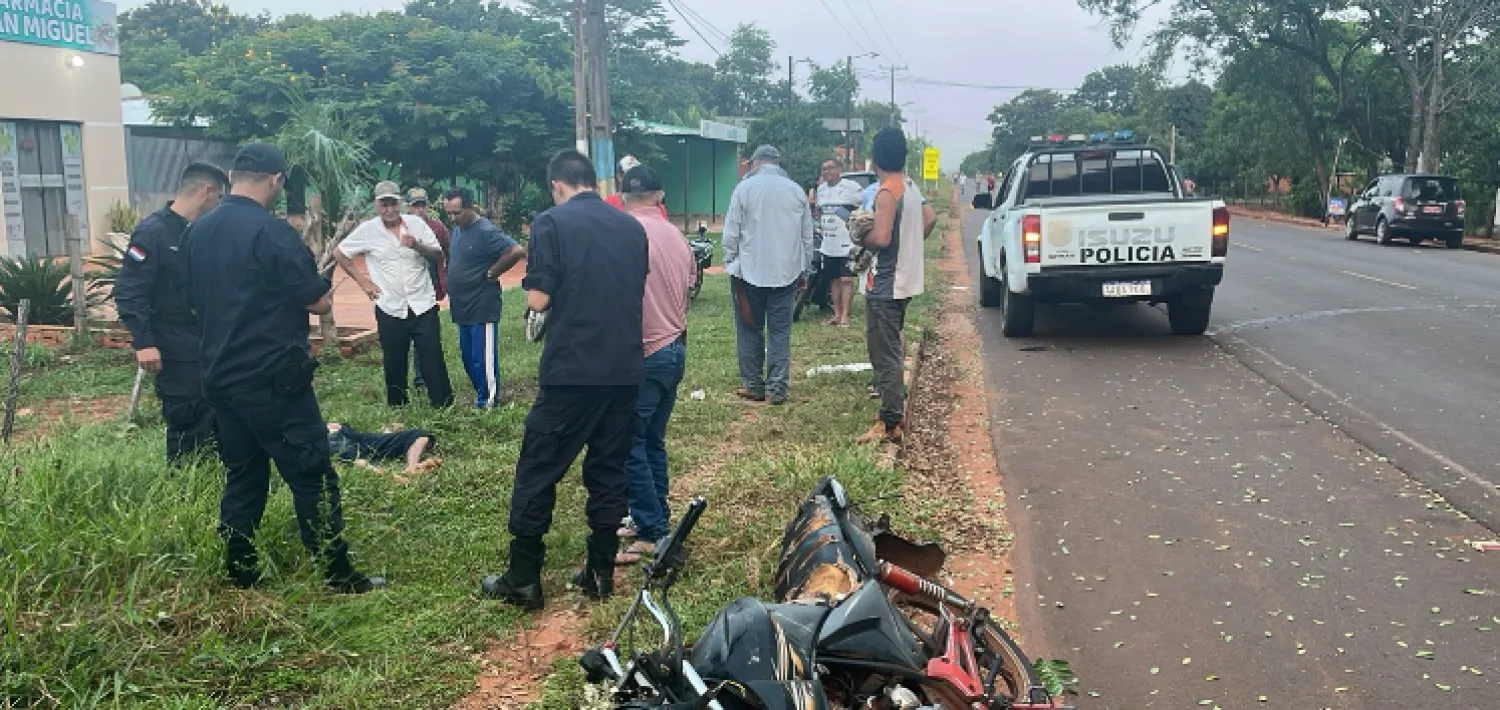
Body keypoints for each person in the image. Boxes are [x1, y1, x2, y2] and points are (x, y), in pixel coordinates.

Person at [181, 142, 383, 593]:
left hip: (219, 378)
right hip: (271, 380)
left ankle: (241, 570)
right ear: (275, 180)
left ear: (232, 177)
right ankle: (337, 574)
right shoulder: (271, 232)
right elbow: (316, 300)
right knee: (312, 474)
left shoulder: (196, 232)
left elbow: (192, 299)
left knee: (244, 475)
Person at [481, 150, 649, 610]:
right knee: (609, 470)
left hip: (573, 370)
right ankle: (600, 574)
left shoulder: (551, 223)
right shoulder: (631, 227)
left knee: (538, 469)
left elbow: (538, 300)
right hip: (624, 368)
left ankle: (523, 578)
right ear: (591, 180)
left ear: (557, 185)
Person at [113, 162, 227, 465]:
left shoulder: (202, 232)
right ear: (206, 192)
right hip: (173, 342)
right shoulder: (154, 233)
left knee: (215, 412)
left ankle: (213, 476)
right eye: (219, 197)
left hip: (206, 340)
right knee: (186, 413)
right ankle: (184, 480)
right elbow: (129, 291)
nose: (219, 205)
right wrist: (144, 342)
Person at [614, 164, 695, 565]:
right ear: (660, 196)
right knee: (652, 441)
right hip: (674, 347)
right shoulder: (677, 236)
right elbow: (690, 288)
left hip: (642, 352)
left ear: (622, 196)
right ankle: (654, 515)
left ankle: (651, 529)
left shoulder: (623, 234)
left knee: (630, 443)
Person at [334, 181, 454, 408]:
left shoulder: (416, 224)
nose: (389, 209)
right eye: (384, 205)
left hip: (422, 302)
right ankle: (398, 404)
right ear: (376, 205)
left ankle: (443, 403)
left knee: (432, 355)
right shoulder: (368, 230)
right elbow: (340, 253)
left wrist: (416, 245)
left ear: (400, 203)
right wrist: (363, 282)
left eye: (393, 204)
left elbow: (438, 254)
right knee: (394, 358)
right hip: (389, 305)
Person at [856, 128, 938, 445]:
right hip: (904, 281)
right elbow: (930, 219)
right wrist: (910, 243)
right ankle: (892, 416)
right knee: (890, 348)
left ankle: (890, 421)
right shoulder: (910, 187)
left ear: (874, 158)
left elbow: (881, 238)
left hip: (886, 283)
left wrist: (859, 236)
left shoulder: (886, 192)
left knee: (884, 353)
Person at [722, 145, 814, 406]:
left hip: (748, 271)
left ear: (756, 163)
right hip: (787, 272)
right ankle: (777, 388)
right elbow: (807, 236)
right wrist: (805, 269)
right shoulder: (796, 190)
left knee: (749, 328)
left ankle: (754, 385)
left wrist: (731, 261)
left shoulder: (744, 189)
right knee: (780, 331)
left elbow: (731, 231)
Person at [442, 188, 525, 409]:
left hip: (481, 303)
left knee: (482, 357)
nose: (452, 218)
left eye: (457, 212)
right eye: (449, 213)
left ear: (471, 207)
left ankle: (488, 402)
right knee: (468, 357)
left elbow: (516, 251)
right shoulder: (458, 230)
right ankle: (481, 393)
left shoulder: (486, 230)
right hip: (462, 305)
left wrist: (492, 272)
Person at [405, 187, 451, 391]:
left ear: (427, 206)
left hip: (428, 284)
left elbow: (448, 253)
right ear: (408, 207)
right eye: (415, 205)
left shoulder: (437, 228)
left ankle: (421, 376)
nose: (419, 209)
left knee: (424, 331)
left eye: (422, 205)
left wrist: (445, 281)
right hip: (404, 287)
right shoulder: (399, 227)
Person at [814, 159, 864, 327]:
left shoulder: (851, 188)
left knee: (846, 279)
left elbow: (862, 207)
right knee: (833, 280)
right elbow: (818, 211)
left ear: (839, 170)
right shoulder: (821, 190)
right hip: (829, 244)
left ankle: (845, 316)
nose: (826, 172)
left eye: (830, 168)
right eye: (823, 169)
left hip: (847, 243)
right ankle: (836, 314)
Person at [604, 155, 669, 221]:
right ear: (619, 176)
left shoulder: (656, 204)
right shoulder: (609, 204)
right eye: (630, 174)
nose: (635, 176)